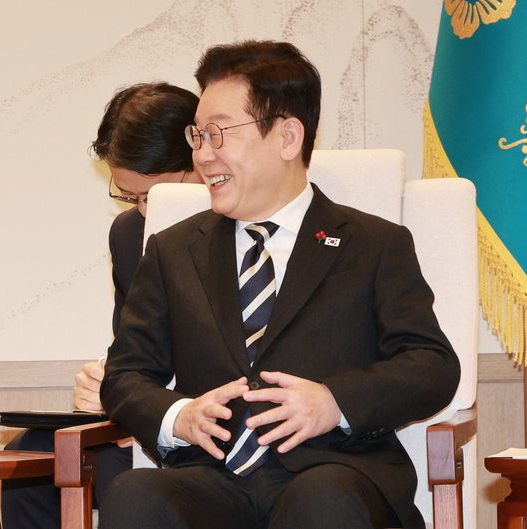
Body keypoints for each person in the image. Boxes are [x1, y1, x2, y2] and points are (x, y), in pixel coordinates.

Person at [98, 41, 460, 529]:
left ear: (288, 137)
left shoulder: (373, 244)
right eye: (197, 136)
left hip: (334, 473)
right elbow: (125, 375)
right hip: (213, 480)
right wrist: (178, 415)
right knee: (136, 495)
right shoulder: (172, 251)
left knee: (322, 499)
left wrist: (335, 402)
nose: (202, 155)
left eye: (218, 133)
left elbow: (432, 365)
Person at [0, 82, 198, 528]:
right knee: (28, 461)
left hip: (205, 422)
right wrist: (105, 387)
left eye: (155, 196)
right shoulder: (128, 236)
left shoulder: (244, 228)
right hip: (139, 420)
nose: (144, 212)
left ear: (202, 160)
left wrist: (149, 413)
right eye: (129, 197)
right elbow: (132, 348)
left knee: (124, 482)